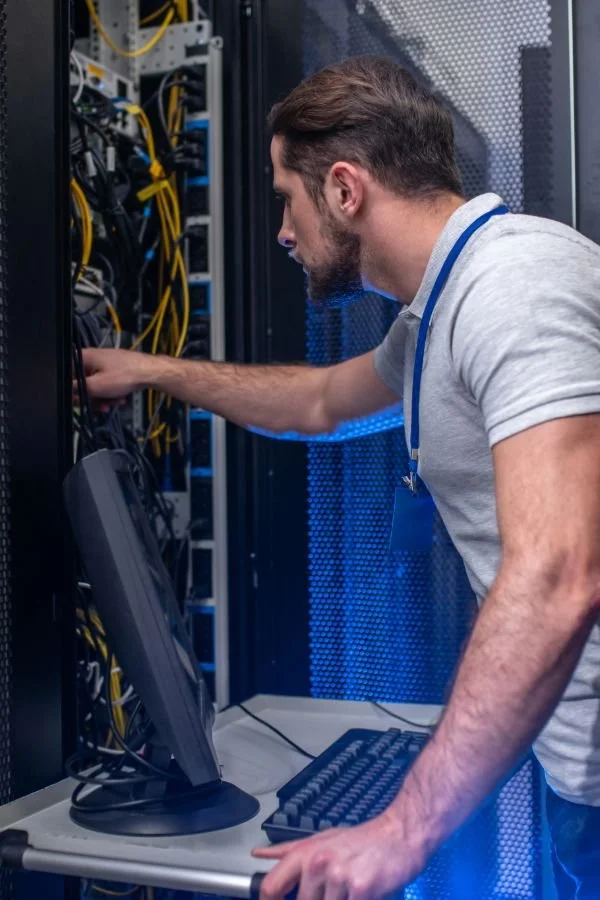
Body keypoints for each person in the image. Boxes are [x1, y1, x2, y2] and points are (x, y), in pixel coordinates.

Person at [80, 56, 600, 899]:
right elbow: (319, 403)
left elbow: (556, 577)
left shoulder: (513, 289)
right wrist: (151, 370)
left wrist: (403, 829)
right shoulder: (438, 313)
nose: (283, 232)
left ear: (346, 189)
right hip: (576, 765)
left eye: (287, 197)